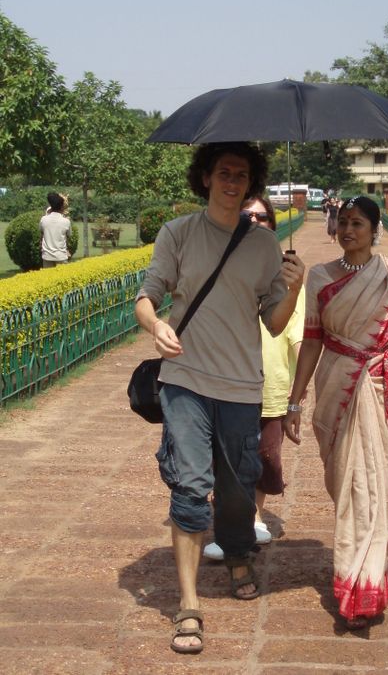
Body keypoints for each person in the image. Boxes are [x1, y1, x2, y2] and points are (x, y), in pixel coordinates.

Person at [134, 142, 305, 654]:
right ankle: (188, 604)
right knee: (189, 487)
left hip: (240, 387)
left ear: (252, 184)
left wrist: (293, 288)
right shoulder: (179, 233)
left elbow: (274, 324)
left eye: (242, 175)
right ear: (205, 177)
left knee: (236, 489)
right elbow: (148, 294)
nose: (233, 182)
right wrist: (155, 324)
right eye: (224, 172)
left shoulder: (264, 245)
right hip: (184, 379)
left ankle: (235, 551)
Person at [283, 196, 388, 630]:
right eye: (343, 222)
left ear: (375, 229)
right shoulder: (319, 277)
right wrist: (295, 402)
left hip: (380, 385)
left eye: (358, 223)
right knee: (345, 483)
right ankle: (358, 563)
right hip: (334, 384)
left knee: (375, 481)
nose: (349, 230)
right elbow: (311, 340)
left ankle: (362, 585)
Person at [203, 195, 306, 561]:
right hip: (227, 379)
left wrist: (299, 394)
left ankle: (255, 513)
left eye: (262, 217)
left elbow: (295, 335)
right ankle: (233, 523)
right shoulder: (218, 265)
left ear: (272, 225)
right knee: (227, 456)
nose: (254, 221)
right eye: (247, 215)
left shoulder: (287, 275)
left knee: (265, 457)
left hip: (272, 383)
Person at [40, 192, 71, 268]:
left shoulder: (43, 219)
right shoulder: (66, 221)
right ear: (61, 207)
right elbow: (69, 235)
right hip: (61, 256)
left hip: (47, 256)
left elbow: (41, 233)